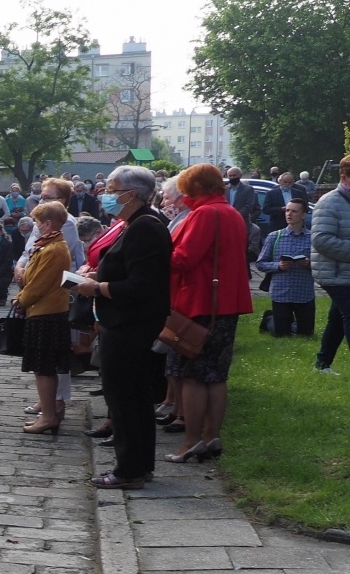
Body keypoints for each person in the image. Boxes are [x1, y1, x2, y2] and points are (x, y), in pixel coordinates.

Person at [72, 165, 171, 488]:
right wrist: (97, 278)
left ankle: (128, 470)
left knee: (124, 397)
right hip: (129, 321)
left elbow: (142, 285)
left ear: (132, 193)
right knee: (135, 396)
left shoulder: (145, 226)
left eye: (113, 188)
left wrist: (97, 288)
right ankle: (138, 465)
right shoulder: (138, 223)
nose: (106, 194)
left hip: (130, 323)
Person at [163, 163, 253, 463]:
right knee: (216, 375)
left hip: (199, 303)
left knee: (191, 376)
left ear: (197, 187)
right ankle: (211, 437)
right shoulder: (231, 213)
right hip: (226, 304)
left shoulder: (204, 213)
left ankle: (191, 440)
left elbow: (183, 259)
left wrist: (157, 251)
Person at [13, 202, 73, 435]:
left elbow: (37, 284)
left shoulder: (54, 249)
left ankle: (48, 416)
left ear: (48, 223)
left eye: (38, 223)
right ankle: (49, 412)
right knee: (43, 368)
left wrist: (21, 300)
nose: (36, 227)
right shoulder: (48, 245)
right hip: (42, 310)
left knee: (44, 367)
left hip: (46, 312)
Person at [312, 156, 350, 374]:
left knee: (337, 318)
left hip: (345, 271)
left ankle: (322, 364)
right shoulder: (329, 202)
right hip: (334, 273)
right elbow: (321, 240)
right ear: (344, 176)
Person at [256, 199, 315, 338]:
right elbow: (260, 263)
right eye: (287, 210)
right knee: (281, 334)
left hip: (304, 293)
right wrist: (278, 266)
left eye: (294, 211)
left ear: (303, 215)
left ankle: (290, 323)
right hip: (281, 293)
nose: (289, 214)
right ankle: (269, 319)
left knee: (306, 335)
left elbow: (321, 264)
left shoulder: (312, 238)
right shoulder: (274, 237)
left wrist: (308, 264)